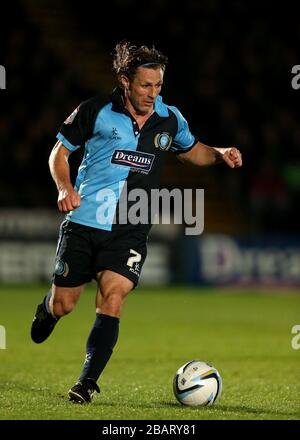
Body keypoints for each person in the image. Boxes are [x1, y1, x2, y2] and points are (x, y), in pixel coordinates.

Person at [30, 41, 242, 404]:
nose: (152, 93)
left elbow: (193, 151)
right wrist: (64, 188)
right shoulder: (95, 111)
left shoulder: (169, 117)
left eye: (158, 85)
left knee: (113, 298)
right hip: (85, 221)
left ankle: (86, 383)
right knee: (65, 304)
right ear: (125, 81)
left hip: (132, 224)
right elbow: (59, 153)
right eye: (146, 85)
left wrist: (220, 154)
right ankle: (48, 310)